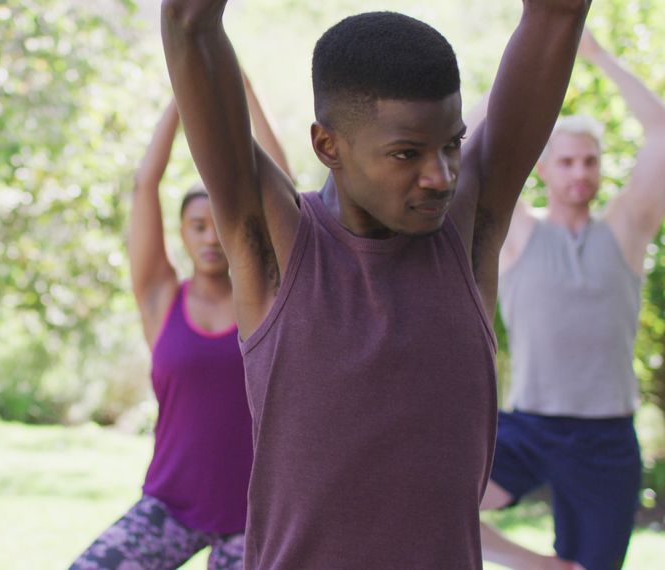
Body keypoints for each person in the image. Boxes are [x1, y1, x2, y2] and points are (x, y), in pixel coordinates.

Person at [161, 0, 589, 568]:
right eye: (407, 153)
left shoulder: (470, 229)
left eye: (452, 144)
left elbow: (559, 12)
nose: (440, 176)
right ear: (327, 146)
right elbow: (190, 24)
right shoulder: (276, 245)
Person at [70, 84, 291, 570]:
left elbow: (284, 185)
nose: (211, 237)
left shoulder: (268, 295)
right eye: (197, 225)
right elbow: (144, 184)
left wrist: (244, 88)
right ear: (181, 233)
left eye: (220, 222)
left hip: (254, 516)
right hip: (171, 506)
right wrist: (185, 87)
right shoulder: (160, 297)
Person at [474, 29, 665, 570]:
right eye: (566, 162)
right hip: (529, 427)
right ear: (541, 168)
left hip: (607, 437)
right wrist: (528, 43)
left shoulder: (627, 230)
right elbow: (474, 140)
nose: (580, 172)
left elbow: (661, 132)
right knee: (438, 502)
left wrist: (599, 54)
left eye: (590, 161)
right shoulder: (516, 233)